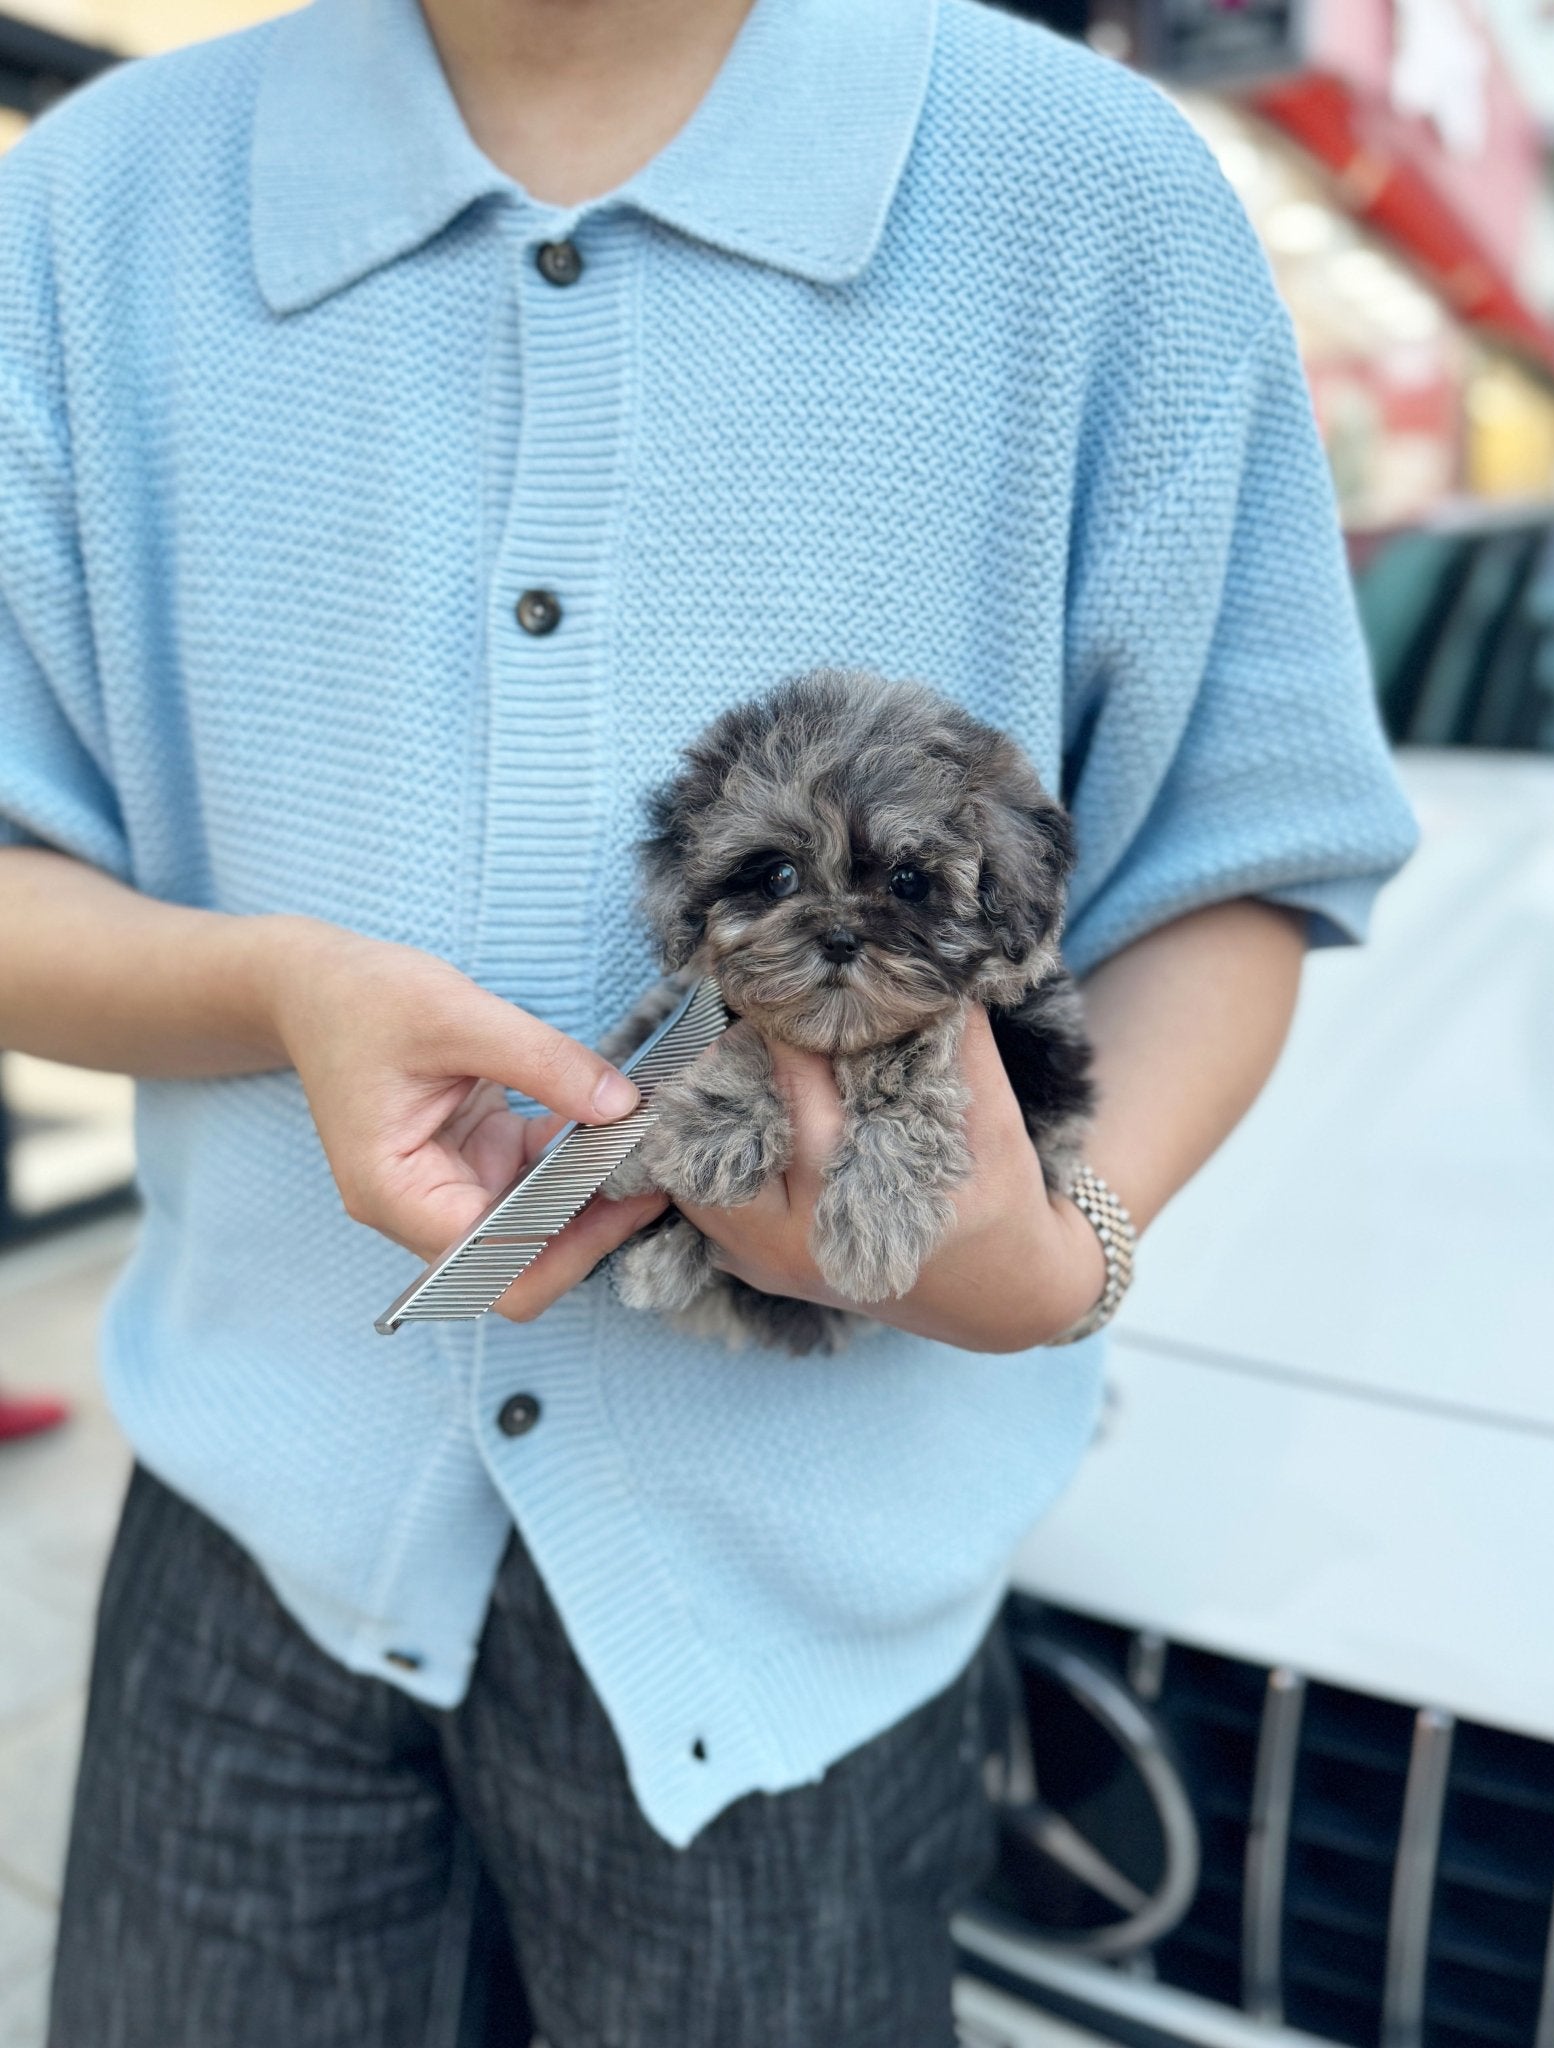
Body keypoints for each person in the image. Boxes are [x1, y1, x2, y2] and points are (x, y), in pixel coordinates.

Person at [0, 0, 1417, 2042]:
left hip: (819, 1608)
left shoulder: (1090, 196)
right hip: (254, 1532)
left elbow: (1237, 854)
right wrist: (267, 993)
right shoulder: (91, 214)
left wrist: (1051, 1251)